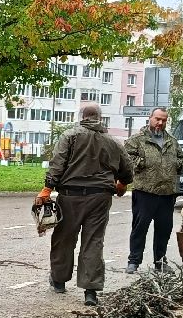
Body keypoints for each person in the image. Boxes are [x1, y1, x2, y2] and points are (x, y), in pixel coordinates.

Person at [35, 103, 133, 306]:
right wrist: (122, 183)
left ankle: (59, 281)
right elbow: (127, 169)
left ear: (82, 117)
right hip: (100, 198)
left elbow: (57, 163)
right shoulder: (113, 141)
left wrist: (47, 189)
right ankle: (90, 291)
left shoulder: (69, 136)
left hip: (70, 196)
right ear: (100, 117)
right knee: (93, 241)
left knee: (64, 238)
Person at [122, 107, 183, 273]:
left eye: (163, 120)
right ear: (150, 118)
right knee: (140, 228)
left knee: (164, 229)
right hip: (145, 191)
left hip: (167, 193)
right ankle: (134, 261)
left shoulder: (171, 140)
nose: (160, 123)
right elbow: (126, 159)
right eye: (157, 119)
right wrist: (141, 162)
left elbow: (182, 158)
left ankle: (160, 261)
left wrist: (175, 165)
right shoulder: (137, 139)